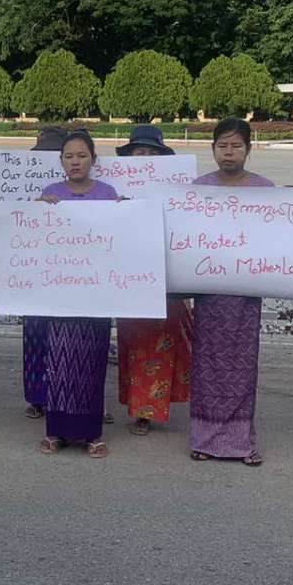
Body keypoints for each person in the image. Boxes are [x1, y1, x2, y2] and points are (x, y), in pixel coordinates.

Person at [188, 118, 272, 465]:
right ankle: (203, 440)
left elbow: (283, 235)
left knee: (242, 366)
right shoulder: (198, 188)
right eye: (222, 145)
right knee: (205, 364)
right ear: (213, 149)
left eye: (236, 145)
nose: (229, 152)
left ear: (248, 150)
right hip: (208, 293)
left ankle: (242, 443)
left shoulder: (266, 190)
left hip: (246, 295)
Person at [37, 128, 119, 459]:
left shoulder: (108, 194)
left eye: (82, 155)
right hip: (60, 293)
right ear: (61, 161)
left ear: (93, 160)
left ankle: (91, 433)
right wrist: (38, 211)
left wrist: (125, 213)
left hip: (96, 293)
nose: (75, 161)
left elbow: (119, 238)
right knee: (58, 361)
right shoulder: (50, 194)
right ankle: (55, 431)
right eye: (69, 156)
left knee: (92, 361)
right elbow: (35, 239)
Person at [112, 124, 191, 436]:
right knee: (133, 344)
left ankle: (155, 406)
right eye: (139, 152)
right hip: (130, 278)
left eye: (151, 152)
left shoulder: (178, 189)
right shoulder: (114, 189)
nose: (145, 157)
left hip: (167, 277)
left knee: (164, 343)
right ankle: (140, 409)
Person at [22, 125, 68, 420]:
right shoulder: (34, 188)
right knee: (36, 337)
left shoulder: (94, 189)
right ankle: (37, 397)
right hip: (38, 277)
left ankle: (72, 395)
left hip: (75, 279)